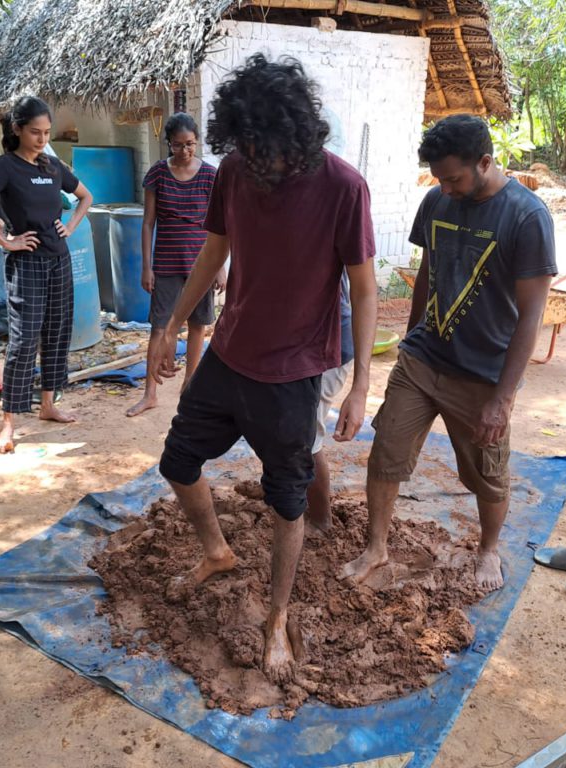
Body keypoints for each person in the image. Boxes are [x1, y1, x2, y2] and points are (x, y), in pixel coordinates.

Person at [151, 54, 378, 683]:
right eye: (245, 148)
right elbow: (214, 250)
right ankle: (217, 552)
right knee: (177, 462)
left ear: (297, 136)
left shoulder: (343, 187)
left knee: (286, 503)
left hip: (295, 372)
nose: (257, 163)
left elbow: (363, 290)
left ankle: (277, 617)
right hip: (228, 354)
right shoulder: (234, 174)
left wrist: (360, 385)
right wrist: (171, 324)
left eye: (266, 150)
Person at [341, 114, 556, 593]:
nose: (446, 188)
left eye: (454, 178)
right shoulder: (437, 200)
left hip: (482, 375)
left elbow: (531, 316)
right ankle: (376, 546)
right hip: (423, 361)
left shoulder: (526, 216)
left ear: (485, 162)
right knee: (386, 451)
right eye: (439, 179)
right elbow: (428, 273)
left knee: (487, 474)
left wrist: (503, 398)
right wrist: (413, 337)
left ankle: (488, 550)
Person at [0, 96, 94, 453]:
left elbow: (85, 197)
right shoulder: (5, 167)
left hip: (59, 260)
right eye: (35, 132)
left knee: (57, 333)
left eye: (47, 132)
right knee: (23, 342)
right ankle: (8, 425)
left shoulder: (51, 165)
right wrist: (5, 240)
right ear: (17, 129)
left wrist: (71, 226)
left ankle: (48, 404)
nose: (42, 139)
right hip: (27, 263)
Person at [127, 113, 224, 418]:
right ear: (168, 143)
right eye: (179, 145)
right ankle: (150, 393)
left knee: (198, 326)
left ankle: (188, 391)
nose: (185, 151)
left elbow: (221, 226)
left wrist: (221, 266)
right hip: (166, 263)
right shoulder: (157, 174)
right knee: (159, 327)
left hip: (202, 263)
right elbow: (147, 224)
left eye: (191, 144)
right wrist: (146, 266)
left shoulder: (211, 175)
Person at [306, 273, 354, 531]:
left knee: (308, 436)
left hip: (328, 348)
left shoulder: (325, 233)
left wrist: (360, 387)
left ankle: (321, 519)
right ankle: (300, 499)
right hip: (300, 347)